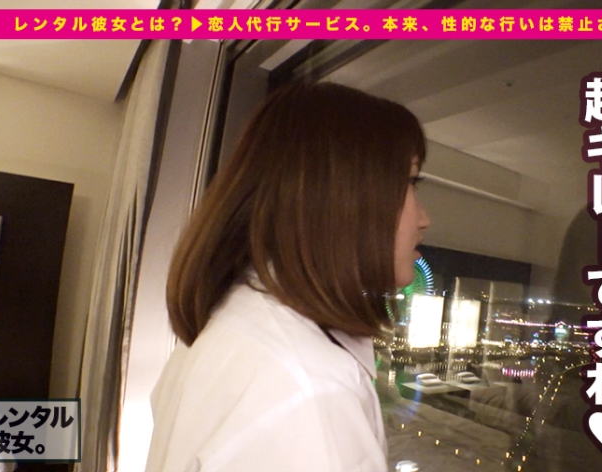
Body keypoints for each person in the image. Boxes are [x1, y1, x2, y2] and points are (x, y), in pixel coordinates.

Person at [144, 81, 431, 472]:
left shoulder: (234, 327)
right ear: (343, 196)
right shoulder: (309, 394)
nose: (424, 219)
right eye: (411, 182)